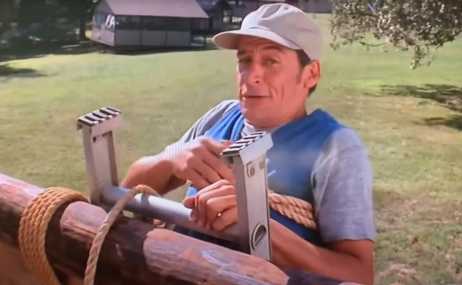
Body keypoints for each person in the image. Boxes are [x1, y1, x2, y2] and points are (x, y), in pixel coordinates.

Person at [122, 3, 375, 284]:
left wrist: (258, 225)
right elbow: (125, 193)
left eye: (271, 61)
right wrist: (170, 158)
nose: (252, 75)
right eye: (244, 60)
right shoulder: (221, 116)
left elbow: (359, 274)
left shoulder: (334, 147)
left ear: (311, 74)